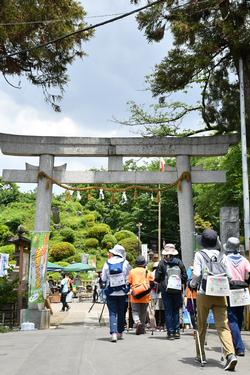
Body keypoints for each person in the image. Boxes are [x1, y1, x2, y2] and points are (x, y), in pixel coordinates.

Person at [190, 228, 237, 371]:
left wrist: (192, 284)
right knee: (223, 325)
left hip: (204, 293)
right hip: (220, 292)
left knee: (202, 325)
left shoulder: (199, 254)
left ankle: (201, 355)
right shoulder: (222, 255)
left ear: (203, 242)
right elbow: (229, 276)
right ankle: (230, 354)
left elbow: (197, 274)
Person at [224, 237, 250, 357]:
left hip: (230, 289)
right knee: (239, 317)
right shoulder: (244, 260)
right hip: (242, 289)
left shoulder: (225, 259)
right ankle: (236, 342)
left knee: (232, 318)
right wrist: (246, 282)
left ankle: (239, 347)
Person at [155, 243, 187, 340]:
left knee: (168, 311)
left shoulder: (162, 263)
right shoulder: (179, 262)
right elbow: (185, 276)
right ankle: (177, 331)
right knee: (176, 310)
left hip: (166, 289)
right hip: (177, 290)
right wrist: (181, 282)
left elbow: (157, 277)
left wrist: (160, 282)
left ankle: (170, 332)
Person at [101, 244, 131, 342]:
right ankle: (120, 332)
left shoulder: (107, 262)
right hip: (122, 292)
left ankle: (113, 333)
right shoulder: (125, 262)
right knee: (122, 312)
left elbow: (103, 278)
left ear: (113, 252)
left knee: (112, 313)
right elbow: (129, 277)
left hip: (111, 292)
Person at [128, 255, 154, 335]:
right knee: (143, 312)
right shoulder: (148, 272)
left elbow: (129, 283)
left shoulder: (132, 271)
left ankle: (137, 322)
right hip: (145, 296)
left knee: (135, 311)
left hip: (135, 295)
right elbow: (152, 284)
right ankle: (142, 329)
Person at [151, 262, 165, 330]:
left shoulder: (152, 273)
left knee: (156, 309)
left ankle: (157, 324)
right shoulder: (162, 271)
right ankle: (162, 324)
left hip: (154, 294)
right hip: (162, 293)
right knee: (162, 309)